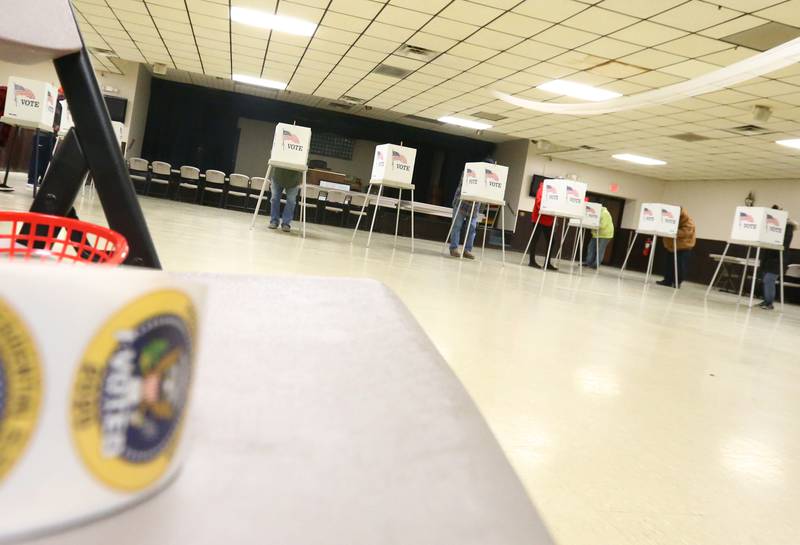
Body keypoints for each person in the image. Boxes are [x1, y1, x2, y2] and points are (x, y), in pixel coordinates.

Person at [449, 158, 495, 259]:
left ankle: (467, 250)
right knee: (457, 226)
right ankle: (454, 248)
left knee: (472, 229)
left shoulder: (487, 179)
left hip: (474, 207)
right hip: (461, 203)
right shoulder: (469, 171)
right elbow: (465, 187)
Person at [759, 205, 796, 310]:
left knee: (769, 279)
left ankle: (769, 303)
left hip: (779, 257)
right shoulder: (768, 224)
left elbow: (785, 242)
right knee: (765, 279)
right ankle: (766, 301)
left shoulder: (788, 227)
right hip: (768, 257)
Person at [657, 208, 696, 287]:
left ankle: (677, 282)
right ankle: (667, 281)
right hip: (671, 246)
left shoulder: (688, 221)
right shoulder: (670, 218)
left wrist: (672, 230)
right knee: (669, 265)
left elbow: (686, 232)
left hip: (683, 247)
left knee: (679, 266)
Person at [528, 182, 557, 270]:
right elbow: (539, 203)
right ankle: (532, 261)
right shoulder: (542, 188)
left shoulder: (556, 192)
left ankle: (547, 263)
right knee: (535, 239)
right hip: (538, 218)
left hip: (548, 220)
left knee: (552, 241)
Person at [268, 167, 302, 232]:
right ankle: (274, 221)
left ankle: (286, 223)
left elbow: (305, 161)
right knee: (274, 198)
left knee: (291, 201)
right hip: (278, 177)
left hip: (293, 180)